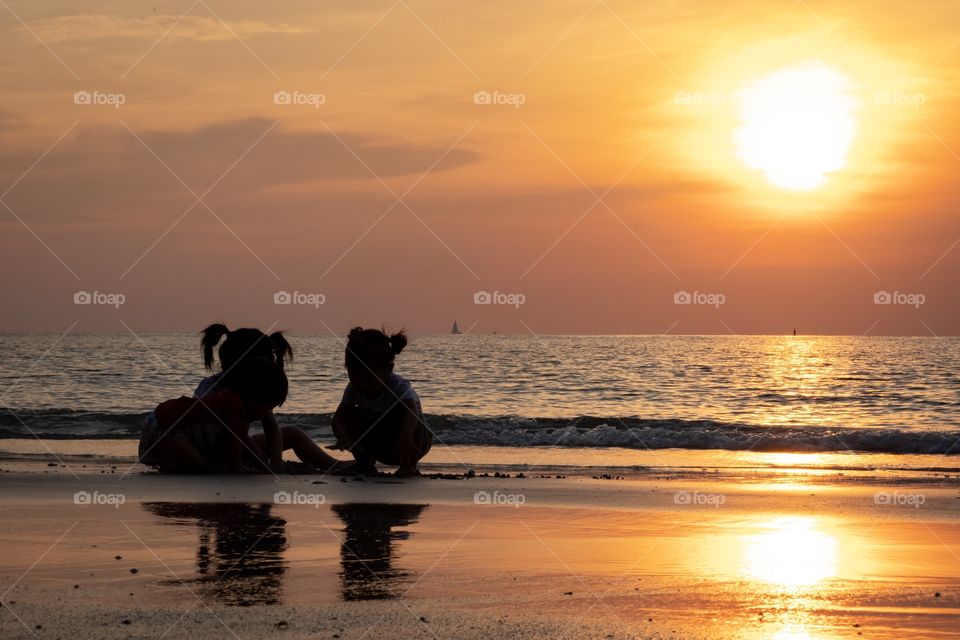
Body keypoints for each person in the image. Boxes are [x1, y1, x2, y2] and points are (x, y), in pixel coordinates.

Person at [197, 323, 345, 473]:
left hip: (237, 446)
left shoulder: (252, 390)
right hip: (206, 449)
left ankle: (334, 465)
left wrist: (276, 463)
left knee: (293, 433)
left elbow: (271, 427)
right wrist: (258, 458)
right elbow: (231, 434)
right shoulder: (213, 390)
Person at [138, 357, 288, 474]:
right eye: (268, 408)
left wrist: (262, 464)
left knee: (200, 464)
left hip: (164, 421)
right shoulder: (235, 406)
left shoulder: (233, 402)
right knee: (198, 465)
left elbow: (245, 443)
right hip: (161, 427)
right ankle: (168, 463)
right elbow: (234, 442)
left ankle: (170, 460)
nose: (266, 414)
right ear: (255, 399)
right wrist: (237, 467)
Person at [332, 327, 432, 476]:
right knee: (348, 415)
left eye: (369, 378)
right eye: (354, 376)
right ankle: (364, 463)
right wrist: (343, 436)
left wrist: (406, 435)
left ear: (389, 369)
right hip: (378, 442)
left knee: (406, 413)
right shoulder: (353, 388)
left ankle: (408, 465)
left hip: (410, 441)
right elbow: (340, 416)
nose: (361, 384)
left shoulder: (399, 386)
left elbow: (411, 411)